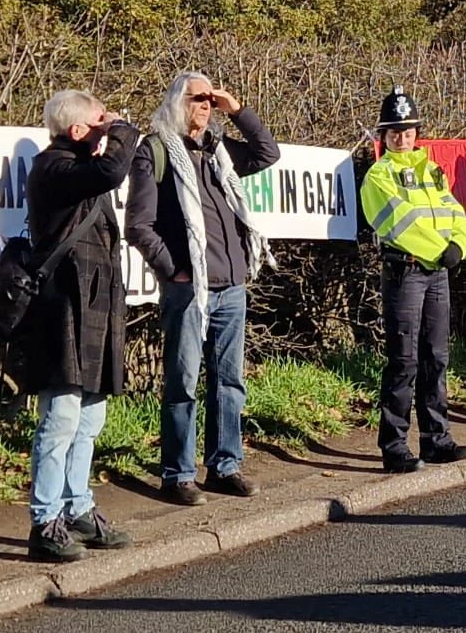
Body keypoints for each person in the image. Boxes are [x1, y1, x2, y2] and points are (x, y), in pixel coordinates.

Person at [127, 72, 280, 505]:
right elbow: (139, 226)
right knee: (183, 381)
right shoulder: (154, 152)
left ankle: (224, 465)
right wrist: (174, 270)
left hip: (231, 285)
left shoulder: (219, 151)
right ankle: (177, 474)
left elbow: (267, 153)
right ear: (178, 102)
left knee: (230, 381)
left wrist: (238, 110)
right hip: (188, 289)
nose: (205, 106)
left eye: (210, 100)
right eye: (198, 98)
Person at [19, 89, 140, 562]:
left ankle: (78, 509)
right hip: (62, 307)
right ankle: (44, 519)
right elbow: (113, 169)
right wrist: (123, 129)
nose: (107, 128)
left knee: (91, 417)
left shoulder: (77, 169)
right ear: (77, 130)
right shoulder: (54, 167)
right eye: (99, 122)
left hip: (94, 307)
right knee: (61, 418)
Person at [359, 87, 466, 473]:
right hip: (406, 271)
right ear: (384, 136)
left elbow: (455, 213)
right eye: (395, 132)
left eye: (408, 131)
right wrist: (438, 250)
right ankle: (394, 446)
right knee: (403, 361)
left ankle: (436, 440)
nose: (402, 138)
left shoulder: (431, 171)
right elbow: (397, 222)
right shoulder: (379, 175)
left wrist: (460, 243)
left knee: (436, 358)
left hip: (437, 272)